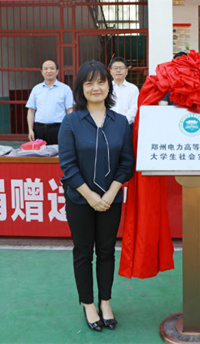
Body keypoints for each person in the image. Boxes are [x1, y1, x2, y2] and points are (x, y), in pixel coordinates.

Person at [58, 61, 134, 332]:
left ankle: (105, 302)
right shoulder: (71, 122)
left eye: (101, 82)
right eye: (89, 83)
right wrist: (90, 196)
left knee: (106, 251)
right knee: (83, 252)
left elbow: (127, 163)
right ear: (81, 88)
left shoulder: (120, 122)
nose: (96, 88)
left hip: (111, 200)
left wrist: (111, 193)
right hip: (80, 200)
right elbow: (67, 165)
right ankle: (88, 304)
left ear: (109, 86)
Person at [26, 60, 74, 145]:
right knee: (40, 153)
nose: (49, 71)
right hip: (39, 129)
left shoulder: (65, 89)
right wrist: (30, 130)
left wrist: (70, 129)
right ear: (42, 72)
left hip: (59, 129)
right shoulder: (36, 89)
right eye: (45, 69)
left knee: (59, 152)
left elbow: (70, 111)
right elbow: (31, 110)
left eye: (52, 68)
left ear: (57, 71)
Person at [109, 57, 139, 124]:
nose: (118, 70)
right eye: (115, 68)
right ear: (111, 71)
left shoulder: (133, 89)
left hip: (127, 124)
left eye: (121, 68)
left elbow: (134, 108)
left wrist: (123, 122)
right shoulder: (106, 88)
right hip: (108, 124)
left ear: (126, 71)